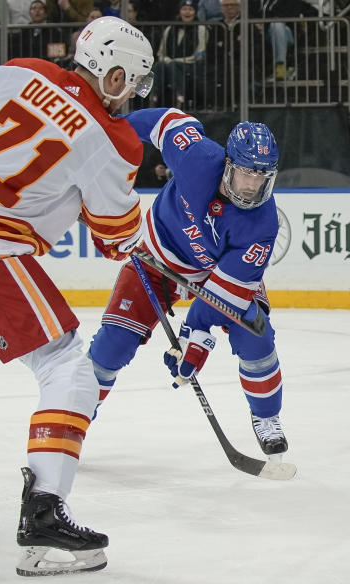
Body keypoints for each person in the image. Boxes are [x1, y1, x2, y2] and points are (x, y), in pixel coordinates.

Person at [0, 16, 155, 575]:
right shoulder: (113, 139)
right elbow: (115, 237)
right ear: (113, 76)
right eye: (131, 81)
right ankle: (44, 517)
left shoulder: (20, 72)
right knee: (69, 367)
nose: (131, 93)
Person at [87, 116, 288, 457]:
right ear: (228, 164)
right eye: (247, 172)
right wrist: (104, 131)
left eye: (262, 175)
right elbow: (158, 121)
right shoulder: (197, 157)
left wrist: (196, 337)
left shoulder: (263, 225)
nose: (253, 184)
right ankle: (73, 419)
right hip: (156, 258)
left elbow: (223, 296)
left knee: (256, 336)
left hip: (215, 277)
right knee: (113, 345)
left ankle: (267, 417)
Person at [151, 0, 207, 110]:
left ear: (195, 12)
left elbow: (200, 52)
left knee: (173, 66)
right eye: (184, 9)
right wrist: (167, 59)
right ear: (180, 11)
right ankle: (153, 98)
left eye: (190, 9)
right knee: (159, 65)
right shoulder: (170, 29)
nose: (187, 12)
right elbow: (161, 52)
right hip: (170, 63)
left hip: (190, 64)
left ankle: (179, 99)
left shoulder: (201, 29)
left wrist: (177, 61)